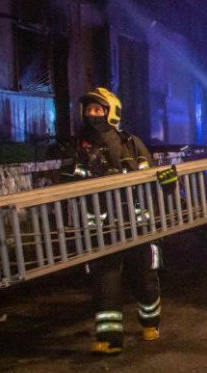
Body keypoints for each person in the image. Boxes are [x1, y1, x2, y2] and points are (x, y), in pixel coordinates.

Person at [64, 87, 163, 355]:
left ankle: (150, 322)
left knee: (144, 278)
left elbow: (152, 174)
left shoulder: (131, 143)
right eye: (88, 110)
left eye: (97, 109)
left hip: (136, 226)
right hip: (101, 229)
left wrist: (167, 182)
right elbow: (66, 183)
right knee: (105, 283)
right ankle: (110, 339)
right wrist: (70, 173)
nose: (91, 114)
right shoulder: (77, 148)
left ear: (111, 112)